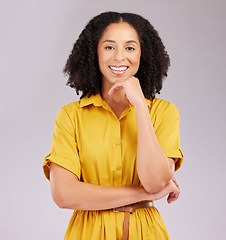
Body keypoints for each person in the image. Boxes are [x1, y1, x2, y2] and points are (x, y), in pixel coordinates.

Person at [43, 11, 183, 240]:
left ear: (142, 54)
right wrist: (143, 193)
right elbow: (64, 195)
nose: (119, 57)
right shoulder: (70, 116)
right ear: (93, 54)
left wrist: (139, 105)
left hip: (146, 232)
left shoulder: (164, 113)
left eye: (130, 48)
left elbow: (155, 180)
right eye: (109, 47)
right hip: (88, 232)